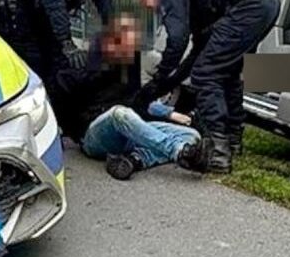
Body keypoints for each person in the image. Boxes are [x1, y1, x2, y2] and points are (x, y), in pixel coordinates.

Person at [135, 0, 281, 173]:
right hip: (267, 2)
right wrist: (162, 87)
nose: (154, 10)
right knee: (226, 71)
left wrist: (158, 78)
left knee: (206, 74)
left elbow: (178, 40)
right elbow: (197, 53)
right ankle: (231, 141)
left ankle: (218, 153)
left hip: (250, 4)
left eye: (148, 2)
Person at [51, 15, 209, 181]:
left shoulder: (128, 68)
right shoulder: (80, 68)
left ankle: (133, 161)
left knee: (191, 135)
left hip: (128, 131)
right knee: (119, 113)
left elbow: (139, 101)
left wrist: (168, 114)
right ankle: (179, 152)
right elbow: (62, 105)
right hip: (95, 135)